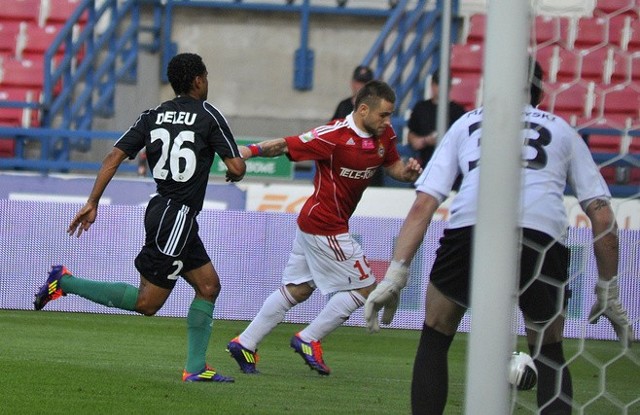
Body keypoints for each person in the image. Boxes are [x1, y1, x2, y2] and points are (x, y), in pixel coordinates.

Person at [364, 61, 634, 414]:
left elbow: (424, 205)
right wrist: (608, 286)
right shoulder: (564, 131)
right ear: (539, 90)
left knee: (435, 331)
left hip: (473, 226)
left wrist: (396, 274)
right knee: (549, 350)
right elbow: (601, 213)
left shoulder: (467, 123)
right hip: (541, 234)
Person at [33, 53, 246, 383]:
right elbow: (237, 167)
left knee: (208, 286)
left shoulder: (154, 115)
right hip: (176, 218)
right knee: (148, 303)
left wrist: (92, 201)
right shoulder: (207, 115)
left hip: (165, 211)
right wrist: (229, 168)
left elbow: (114, 156)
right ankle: (65, 282)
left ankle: (196, 367)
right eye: (206, 76)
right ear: (199, 80)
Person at [226, 80, 422, 375]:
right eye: (383, 115)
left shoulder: (385, 135)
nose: (388, 121)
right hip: (324, 224)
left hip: (319, 223)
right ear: (363, 109)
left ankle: (247, 342)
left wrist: (406, 174)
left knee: (298, 289)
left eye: (390, 115)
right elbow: (283, 144)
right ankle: (309, 338)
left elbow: (393, 166)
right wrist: (247, 152)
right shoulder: (333, 135)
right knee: (367, 288)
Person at [406, 70, 466, 168]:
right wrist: (425, 141)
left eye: (445, 84)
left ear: (450, 86)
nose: (441, 88)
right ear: (432, 85)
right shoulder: (421, 108)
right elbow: (411, 135)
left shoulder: (458, 111)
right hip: (426, 164)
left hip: (451, 165)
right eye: (438, 84)